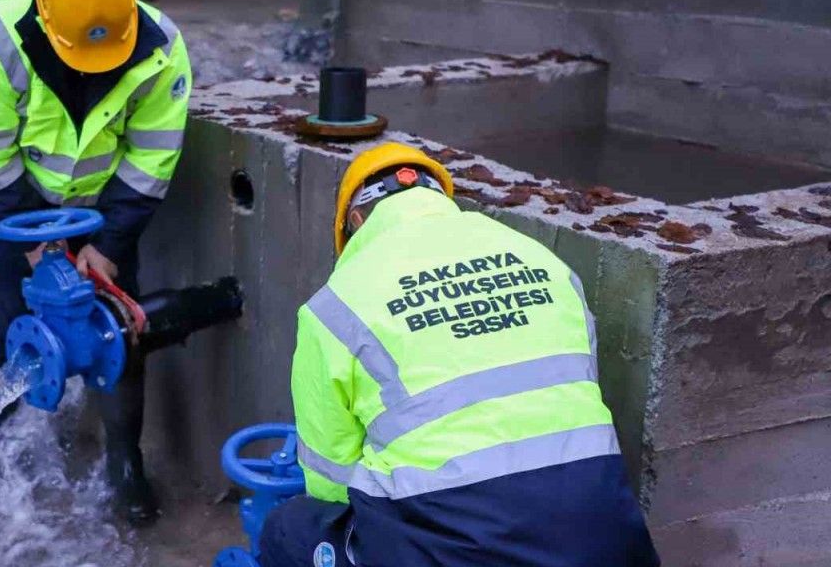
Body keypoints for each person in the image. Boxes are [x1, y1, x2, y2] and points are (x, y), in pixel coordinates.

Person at [259, 143, 660, 566]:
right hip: (606, 539)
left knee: (288, 530)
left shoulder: (334, 306)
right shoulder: (546, 264)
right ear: (438, 197)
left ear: (355, 220)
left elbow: (331, 482)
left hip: (453, 549)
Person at [0, 0, 191, 525]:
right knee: (0, 319)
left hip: (103, 207)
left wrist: (108, 248)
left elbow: (152, 157)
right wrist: (37, 249)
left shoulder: (161, 45)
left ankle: (125, 462)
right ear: (44, 14)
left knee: (118, 327)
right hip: (12, 203)